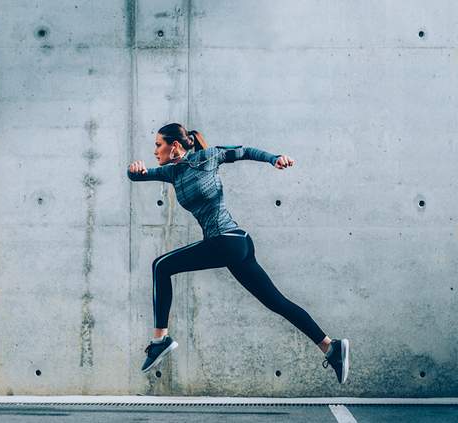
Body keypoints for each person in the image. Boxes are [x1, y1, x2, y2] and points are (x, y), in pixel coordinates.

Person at [127, 122, 350, 384]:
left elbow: (243, 151)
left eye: (158, 145)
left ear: (174, 145)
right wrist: (133, 169)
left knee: (161, 266)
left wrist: (274, 159)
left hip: (229, 240)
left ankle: (159, 341)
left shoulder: (208, 157)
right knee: (276, 302)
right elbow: (138, 175)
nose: (155, 151)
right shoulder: (172, 173)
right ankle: (331, 347)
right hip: (233, 245)